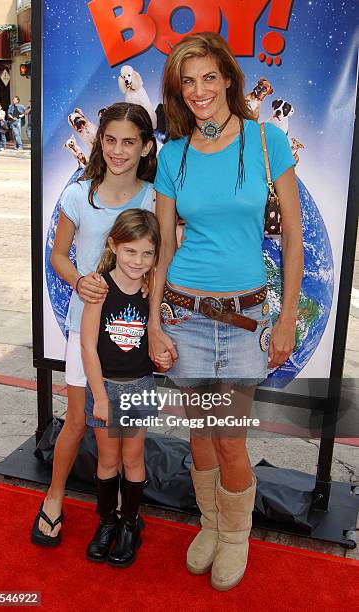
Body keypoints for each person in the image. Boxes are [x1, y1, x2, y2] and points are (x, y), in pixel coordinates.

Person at [149, 33, 303, 591]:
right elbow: (164, 248)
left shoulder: (267, 142)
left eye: (209, 77)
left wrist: (286, 316)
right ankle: (211, 525)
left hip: (245, 320)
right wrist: (153, 321)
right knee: (198, 432)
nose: (199, 91)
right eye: (187, 82)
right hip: (184, 314)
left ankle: (236, 537)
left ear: (230, 80)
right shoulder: (173, 153)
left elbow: (292, 240)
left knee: (229, 435)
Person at [31, 102, 159, 546]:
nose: (118, 150)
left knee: (128, 432)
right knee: (79, 421)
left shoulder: (155, 197)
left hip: (131, 337)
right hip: (85, 328)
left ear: (145, 147)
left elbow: (162, 258)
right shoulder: (78, 194)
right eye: (110, 140)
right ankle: (54, 497)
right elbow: (59, 255)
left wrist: (151, 297)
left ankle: (124, 517)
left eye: (129, 142)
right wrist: (80, 280)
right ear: (99, 143)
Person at [81, 209, 171, 566]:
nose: (139, 260)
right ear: (113, 245)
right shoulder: (100, 288)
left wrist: (163, 358)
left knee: (133, 460)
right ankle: (107, 522)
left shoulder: (151, 291)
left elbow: (157, 341)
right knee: (107, 460)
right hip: (105, 388)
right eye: (131, 251)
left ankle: (130, 524)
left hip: (140, 386)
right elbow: (88, 346)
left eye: (147, 253)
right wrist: (100, 397)